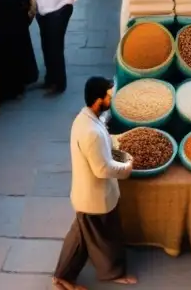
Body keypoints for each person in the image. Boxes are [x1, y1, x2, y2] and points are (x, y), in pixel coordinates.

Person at [53, 77, 136, 289]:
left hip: (86, 195)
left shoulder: (86, 117)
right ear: (98, 100)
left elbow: (102, 139)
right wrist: (126, 168)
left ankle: (62, 277)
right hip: (94, 197)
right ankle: (112, 272)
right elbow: (102, 169)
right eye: (110, 96)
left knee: (81, 235)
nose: (113, 99)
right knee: (105, 238)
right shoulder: (91, 133)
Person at [32, 0, 79, 95]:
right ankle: (49, 78)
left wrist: (65, 7)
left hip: (58, 12)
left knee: (55, 48)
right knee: (46, 46)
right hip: (43, 13)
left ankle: (59, 84)